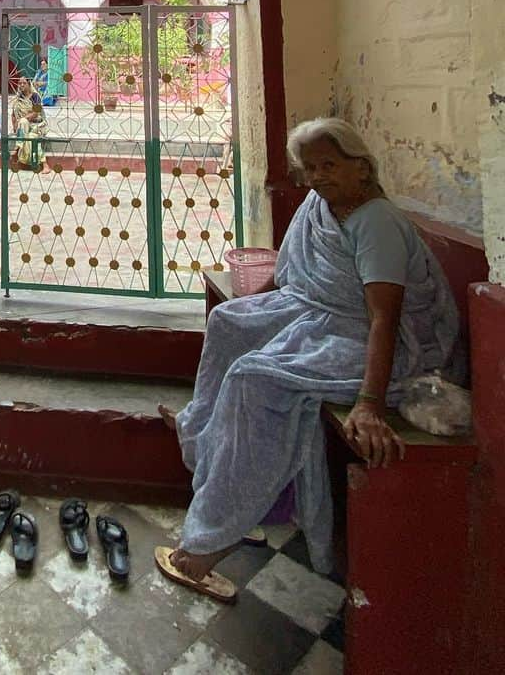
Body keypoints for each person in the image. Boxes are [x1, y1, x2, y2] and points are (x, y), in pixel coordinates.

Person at [154, 117, 461, 600]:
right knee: (229, 323)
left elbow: (384, 317)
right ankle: (204, 436)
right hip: (320, 309)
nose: (319, 176)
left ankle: (210, 543)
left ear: (361, 167)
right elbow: (289, 272)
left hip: (375, 338)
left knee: (255, 379)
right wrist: (256, 307)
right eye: (311, 167)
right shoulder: (320, 207)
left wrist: (369, 404)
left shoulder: (376, 222)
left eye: (331, 165)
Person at [11, 79, 47, 171]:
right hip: (23, 127)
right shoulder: (18, 99)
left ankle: (18, 148)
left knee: (31, 136)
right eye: (20, 83)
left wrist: (22, 121)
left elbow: (36, 113)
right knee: (28, 136)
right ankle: (42, 165)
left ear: (29, 84)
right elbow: (13, 114)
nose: (21, 85)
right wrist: (15, 127)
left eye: (24, 83)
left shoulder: (35, 96)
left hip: (37, 125)